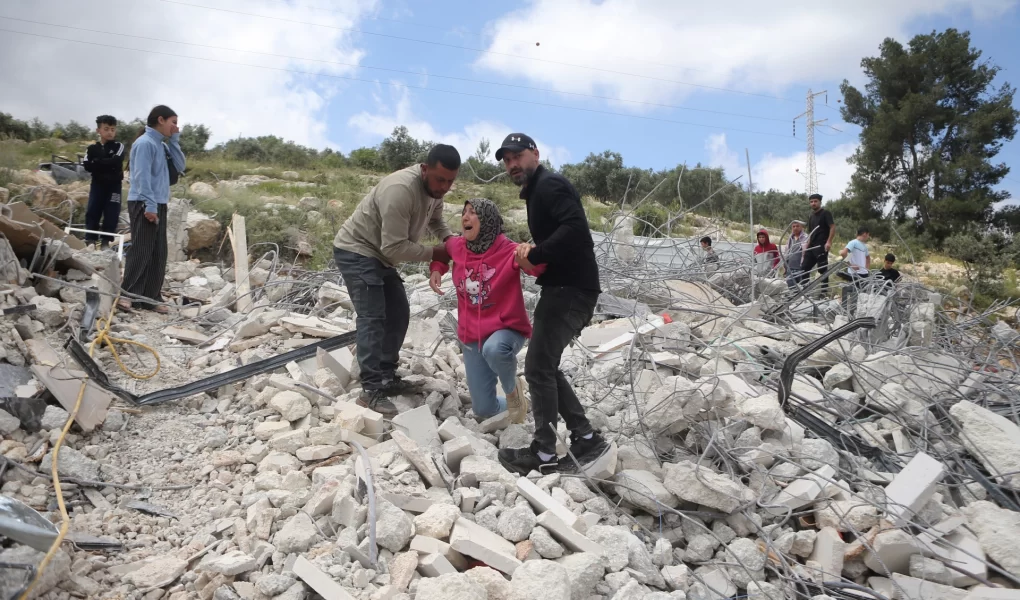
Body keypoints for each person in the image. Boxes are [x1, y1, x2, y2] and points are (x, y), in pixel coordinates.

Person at [495, 132, 608, 475]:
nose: (512, 164)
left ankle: (544, 454)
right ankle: (585, 436)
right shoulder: (538, 191)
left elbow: (575, 230)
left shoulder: (549, 185)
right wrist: (535, 254)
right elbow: (563, 234)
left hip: (569, 291)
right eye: (507, 159)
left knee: (537, 368)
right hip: (568, 288)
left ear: (535, 154)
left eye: (517, 156)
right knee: (545, 366)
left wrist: (538, 253)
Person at [333, 144, 459, 416]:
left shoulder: (434, 191)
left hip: (381, 256)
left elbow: (436, 220)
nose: (444, 187)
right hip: (357, 250)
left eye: (450, 181)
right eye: (440, 179)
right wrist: (436, 253)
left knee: (399, 313)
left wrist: (451, 241)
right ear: (425, 169)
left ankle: (387, 376)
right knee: (373, 316)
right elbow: (393, 247)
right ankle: (371, 390)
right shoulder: (400, 190)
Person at [429, 198, 545, 424]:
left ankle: (513, 393)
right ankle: (523, 404)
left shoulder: (509, 250)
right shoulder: (458, 246)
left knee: (495, 349)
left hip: (507, 329)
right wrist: (437, 269)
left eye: (473, 213)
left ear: (487, 220)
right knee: (483, 409)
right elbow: (442, 251)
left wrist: (531, 254)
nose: (465, 217)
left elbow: (538, 268)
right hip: (471, 337)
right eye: (464, 212)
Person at [120, 105, 185, 313]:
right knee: (141, 248)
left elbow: (180, 166)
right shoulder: (145, 143)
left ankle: (150, 297)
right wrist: (149, 205)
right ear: (160, 120)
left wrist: (174, 141)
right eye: (173, 122)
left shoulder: (161, 145)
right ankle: (128, 295)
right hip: (143, 202)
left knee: (158, 251)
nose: (175, 126)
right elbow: (141, 177)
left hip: (159, 202)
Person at [82, 115, 125, 249]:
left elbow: (117, 161)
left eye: (112, 129)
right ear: (98, 130)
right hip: (97, 185)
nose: (110, 132)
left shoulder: (119, 146)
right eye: (106, 129)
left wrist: (98, 162)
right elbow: (87, 165)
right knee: (93, 210)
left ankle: (106, 242)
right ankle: (90, 240)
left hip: (114, 186)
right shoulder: (91, 148)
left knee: (112, 212)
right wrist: (106, 162)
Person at [800, 193, 836, 292]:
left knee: (822, 269)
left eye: (815, 201)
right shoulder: (811, 216)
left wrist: (829, 242)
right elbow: (811, 233)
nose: (813, 203)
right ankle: (804, 290)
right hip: (812, 246)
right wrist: (806, 246)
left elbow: (832, 227)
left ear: (820, 202)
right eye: (811, 202)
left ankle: (824, 292)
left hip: (822, 245)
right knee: (804, 267)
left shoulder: (826, 213)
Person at [784, 221, 808, 289]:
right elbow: (787, 251)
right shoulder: (790, 238)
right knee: (791, 288)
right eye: (793, 226)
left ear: (801, 227)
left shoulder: (806, 238)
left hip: (801, 267)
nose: (795, 228)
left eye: (797, 226)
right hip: (790, 267)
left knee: (803, 288)